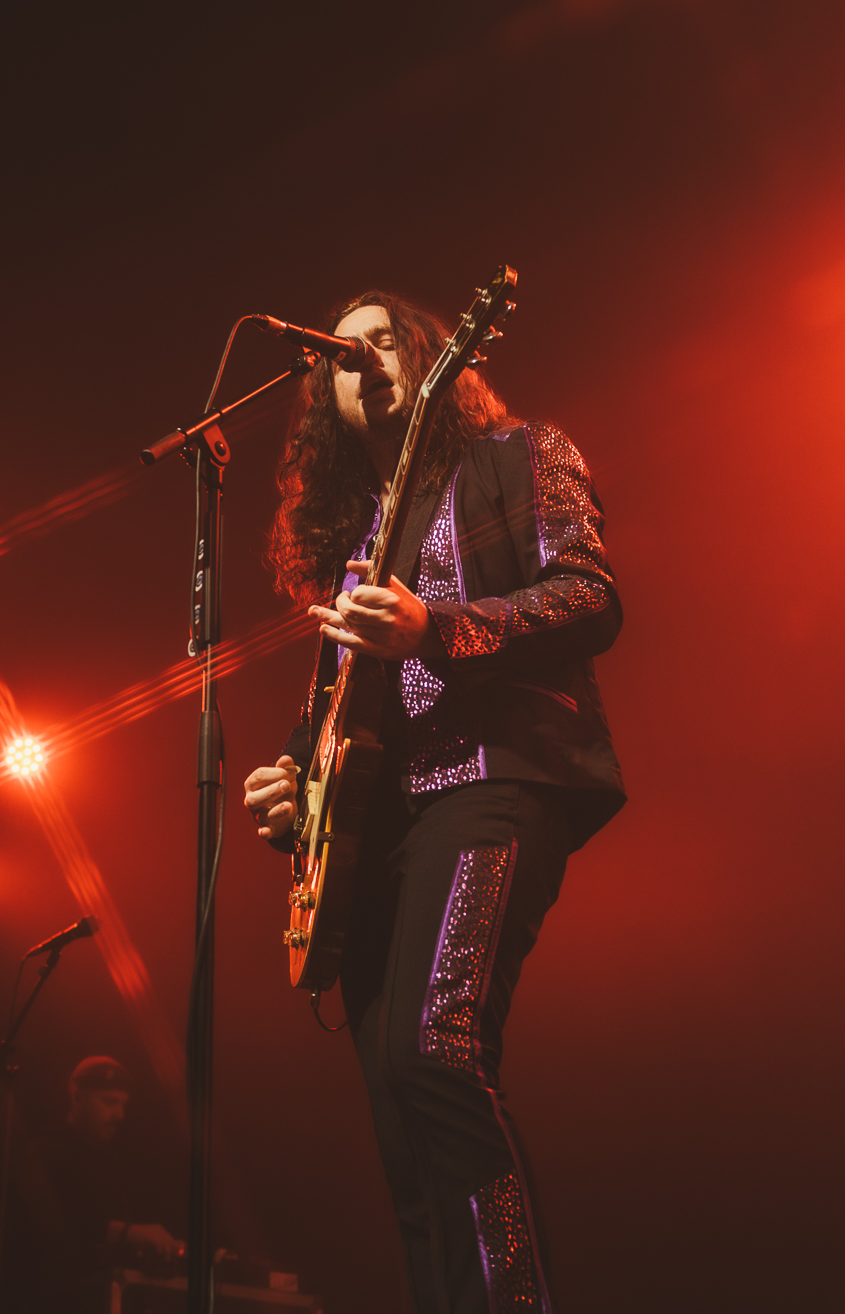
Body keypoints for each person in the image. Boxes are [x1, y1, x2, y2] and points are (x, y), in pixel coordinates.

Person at [241, 289, 625, 1314]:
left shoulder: (517, 452)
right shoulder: (352, 536)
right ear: (323, 393)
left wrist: (437, 628)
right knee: (394, 1109)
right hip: (379, 833)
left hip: (494, 779)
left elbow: (589, 595)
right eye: (340, 353)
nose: (363, 359)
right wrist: (294, 781)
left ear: (433, 355)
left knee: (433, 1051)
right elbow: (335, 703)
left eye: (383, 340)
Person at [23, 1056, 180, 1312]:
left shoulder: (110, 1161)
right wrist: (133, 1233)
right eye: (109, 1101)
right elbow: (56, 1229)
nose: (119, 1114)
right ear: (77, 1097)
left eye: (123, 1104)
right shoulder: (45, 1152)